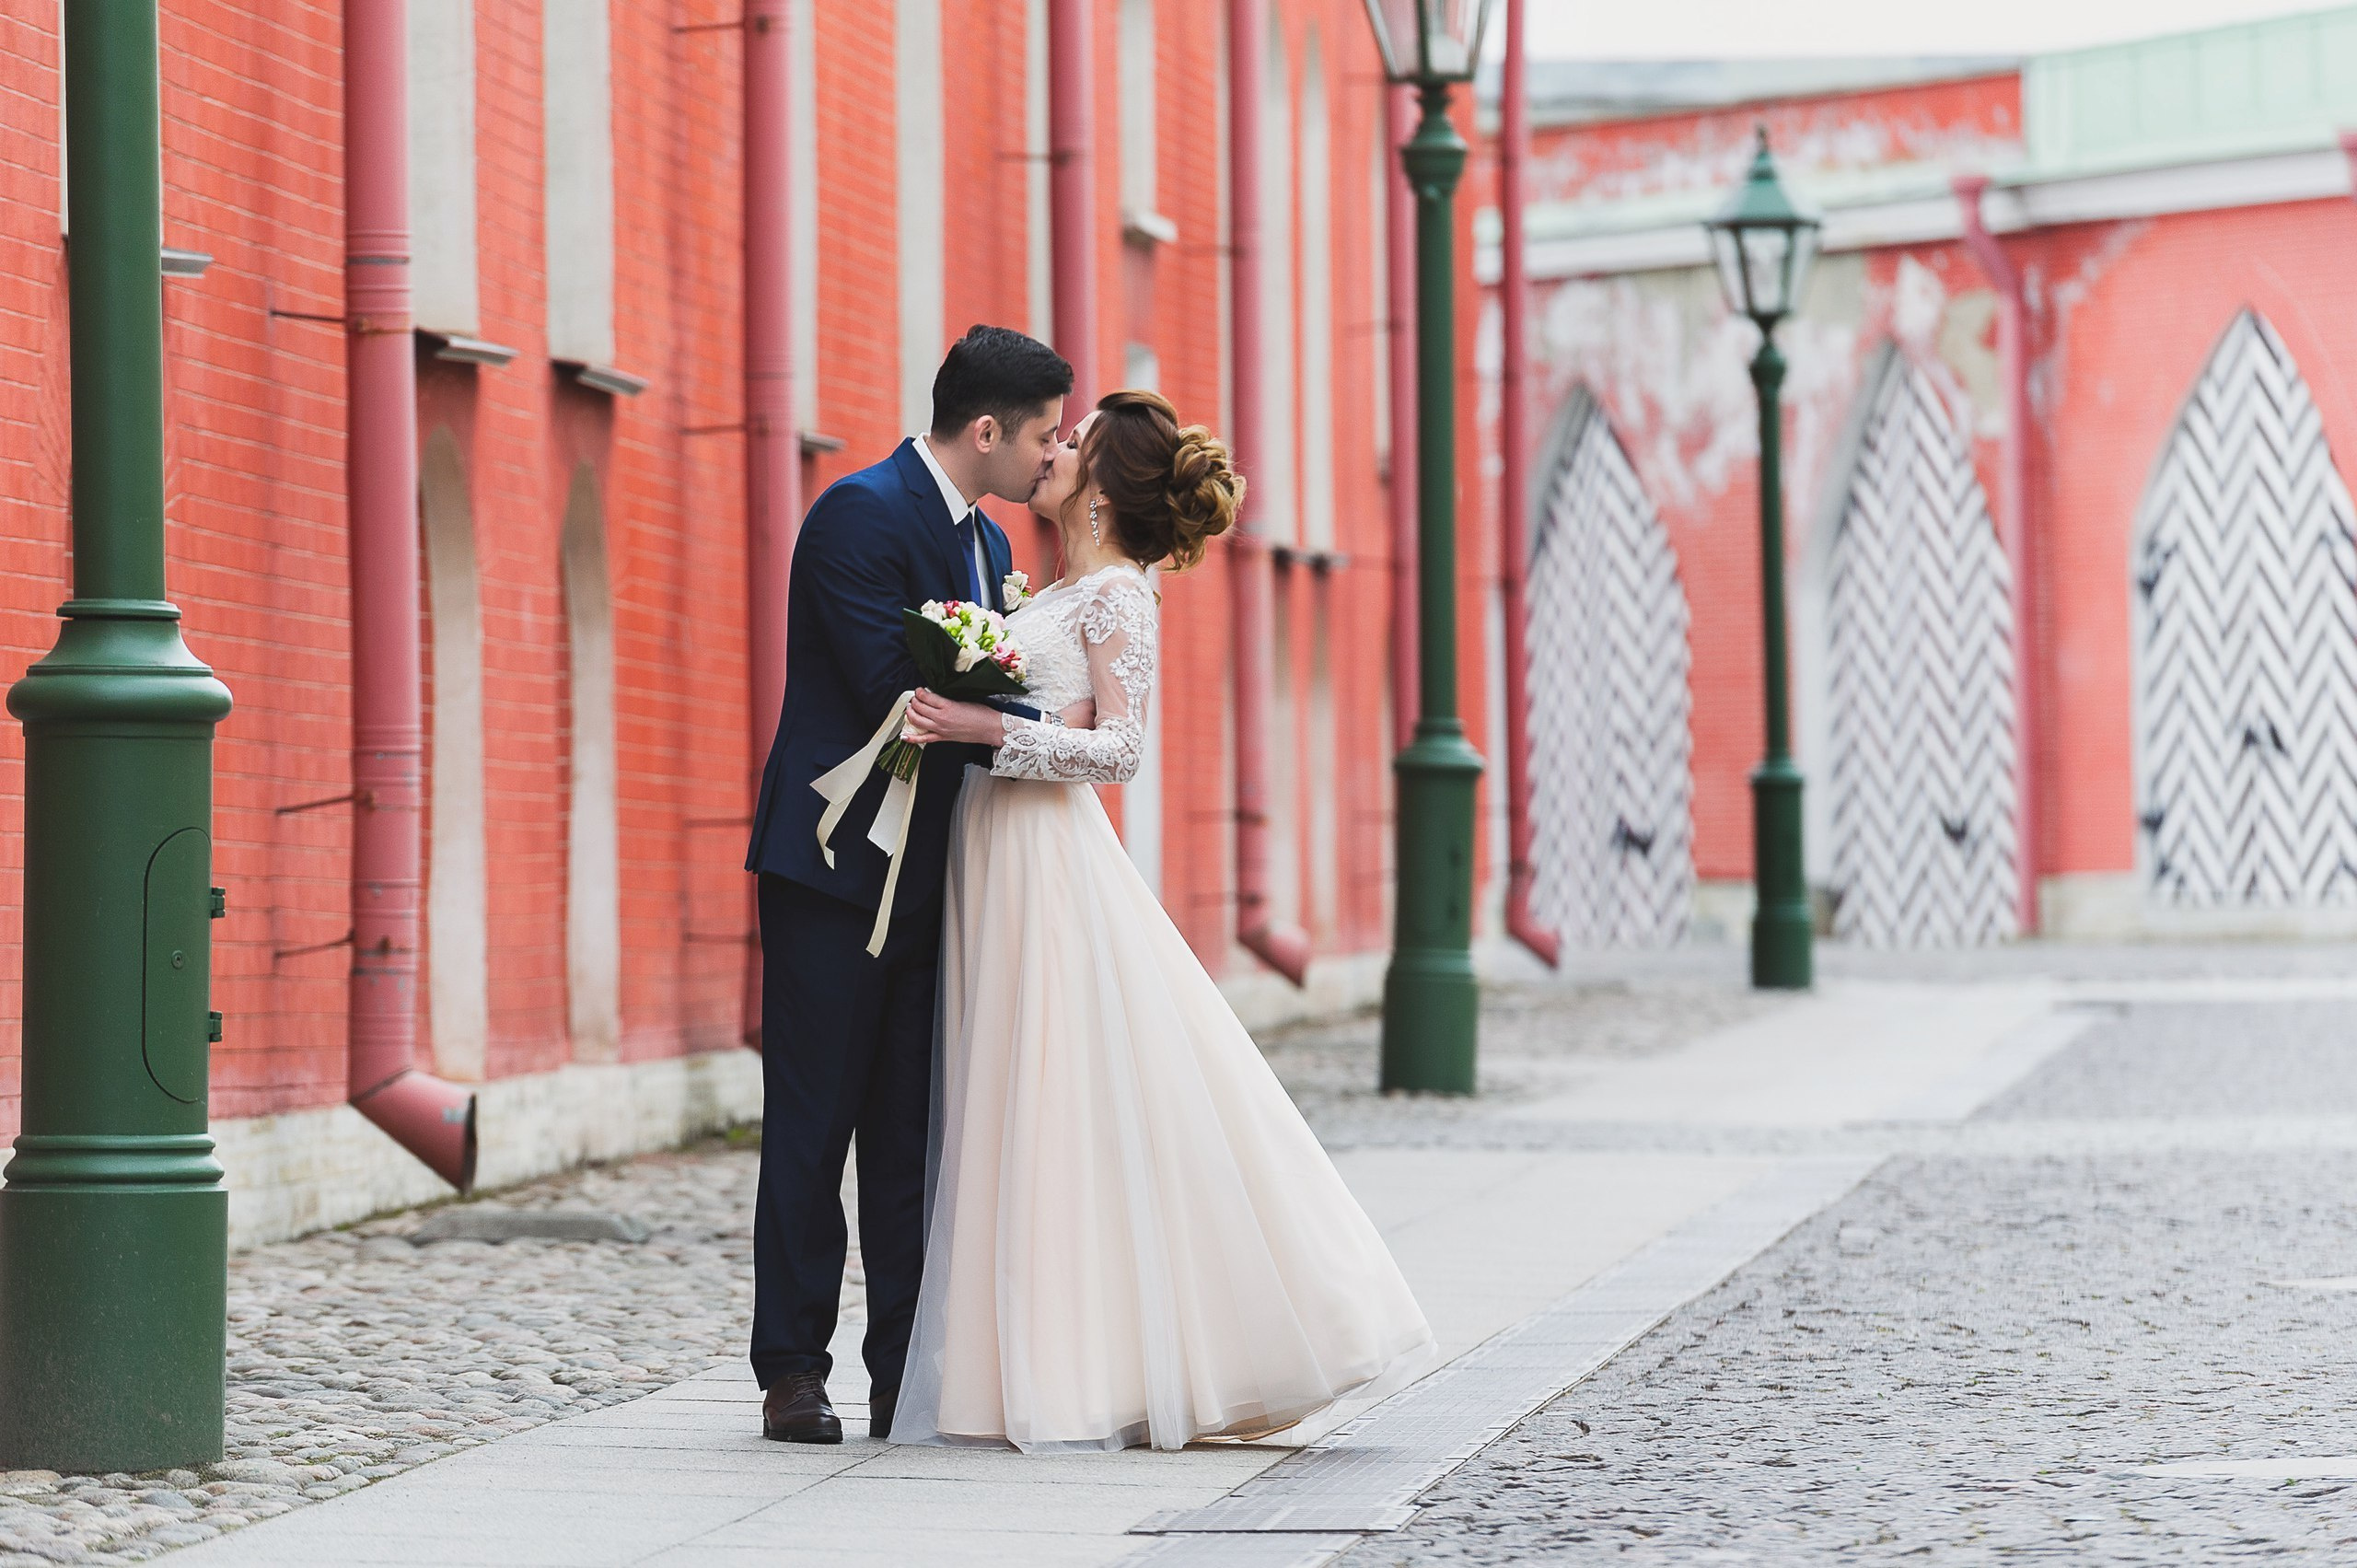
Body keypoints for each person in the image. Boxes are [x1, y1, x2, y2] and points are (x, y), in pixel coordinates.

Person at [892, 390, 1434, 1451]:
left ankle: (1092, 1365)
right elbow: (1073, 718)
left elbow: (1123, 752)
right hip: (996, 851)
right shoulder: (1057, 586)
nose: (1049, 452)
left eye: (1068, 441)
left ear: (1098, 483)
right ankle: (1028, 1360)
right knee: (1018, 1095)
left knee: (1056, 1094)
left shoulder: (1118, 600)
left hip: (1047, 864)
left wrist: (984, 725)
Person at [742, 325, 1073, 1445]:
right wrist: (1032, 727)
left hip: (934, 877)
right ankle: (791, 1367)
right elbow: (898, 692)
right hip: (836, 866)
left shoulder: (981, 543)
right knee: (812, 1125)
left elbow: (975, 681)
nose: (1050, 455)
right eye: (1041, 434)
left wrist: (1012, 718)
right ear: (985, 429)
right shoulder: (859, 515)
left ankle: (902, 1374)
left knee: (906, 1137)